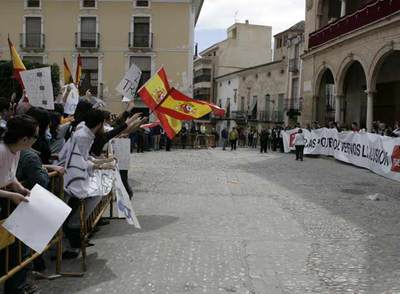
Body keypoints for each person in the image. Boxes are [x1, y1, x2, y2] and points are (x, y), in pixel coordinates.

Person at [0, 115, 39, 294]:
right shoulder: (1, 152)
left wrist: (19, 187)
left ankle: (15, 287)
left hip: (5, 200)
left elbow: (10, 175)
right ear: (24, 139)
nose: (35, 140)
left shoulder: (15, 151)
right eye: (35, 137)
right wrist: (11, 195)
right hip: (4, 200)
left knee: (12, 248)